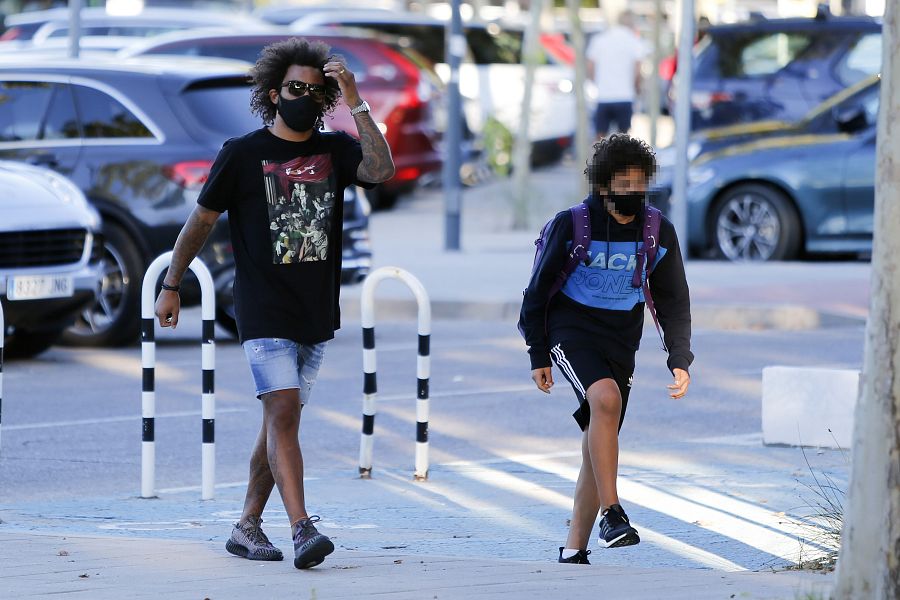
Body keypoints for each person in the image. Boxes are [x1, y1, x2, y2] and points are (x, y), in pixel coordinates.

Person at [154, 38, 394, 570]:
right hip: (262, 307)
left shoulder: (335, 150)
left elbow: (381, 171)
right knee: (283, 412)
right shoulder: (242, 153)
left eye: (316, 89)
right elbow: (201, 220)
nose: (305, 96)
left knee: (276, 424)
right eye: (295, 88)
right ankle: (302, 528)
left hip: (314, 310)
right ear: (273, 93)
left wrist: (355, 100)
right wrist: (172, 285)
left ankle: (246, 525)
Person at [518, 134, 692, 564]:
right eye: (623, 182)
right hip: (570, 327)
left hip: (621, 337)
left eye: (640, 182)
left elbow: (673, 298)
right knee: (605, 399)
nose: (633, 191)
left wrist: (679, 357)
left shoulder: (657, 230)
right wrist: (538, 352)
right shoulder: (572, 224)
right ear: (602, 184)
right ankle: (613, 514)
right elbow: (537, 292)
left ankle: (574, 549)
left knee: (600, 439)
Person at [586, 11, 648, 139]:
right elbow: (638, 70)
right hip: (625, 96)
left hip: (603, 96)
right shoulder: (634, 41)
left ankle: (598, 159)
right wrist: (637, 88)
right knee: (623, 140)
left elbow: (590, 66)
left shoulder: (600, 39)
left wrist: (597, 83)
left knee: (600, 138)